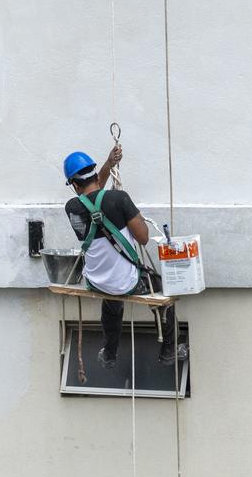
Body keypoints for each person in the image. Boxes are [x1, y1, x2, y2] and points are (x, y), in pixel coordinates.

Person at [63, 146, 178, 368]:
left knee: (111, 298)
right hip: (126, 282)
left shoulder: (72, 208)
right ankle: (168, 351)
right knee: (162, 292)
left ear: (75, 185)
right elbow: (143, 238)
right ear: (95, 175)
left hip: (95, 281)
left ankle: (109, 352)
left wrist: (108, 165)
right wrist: (134, 216)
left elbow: (94, 197)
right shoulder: (120, 199)